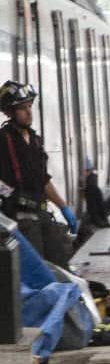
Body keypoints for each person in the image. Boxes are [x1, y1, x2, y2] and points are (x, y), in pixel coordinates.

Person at [0, 80, 77, 263]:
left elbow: (43, 179)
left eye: (29, 106)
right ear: (9, 112)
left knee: (59, 262)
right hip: (22, 218)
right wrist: (11, 195)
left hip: (42, 212)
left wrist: (63, 207)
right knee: (38, 267)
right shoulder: (3, 140)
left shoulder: (35, 140)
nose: (28, 112)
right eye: (22, 108)